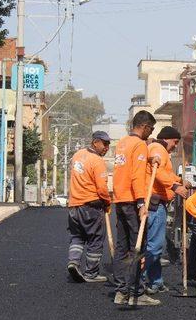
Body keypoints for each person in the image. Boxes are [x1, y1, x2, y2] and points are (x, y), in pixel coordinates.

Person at [112, 110, 161, 306]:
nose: (151, 133)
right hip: (133, 201)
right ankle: (136, 292)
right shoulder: (139, 144)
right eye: (151, 129)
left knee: (122, 248)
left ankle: (120, 291)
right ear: (144, 126)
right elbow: (136, 176)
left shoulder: (122, 143)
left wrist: (149, 158)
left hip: (120, 199)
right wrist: (141, 203)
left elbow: (126, 169)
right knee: (137, 247)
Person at [143, 126, 190, 294]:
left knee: (154, 245)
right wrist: (176, 185)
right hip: (154, 204)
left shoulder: (158, 149)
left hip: (156, 203)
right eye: (175, 142)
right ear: (168, 139)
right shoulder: (158, 149)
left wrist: (179, 179)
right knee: (153, 246)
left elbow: (165, 173)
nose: (175, 146)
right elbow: (159, 173)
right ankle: (138, 282)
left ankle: (156, 281)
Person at [66, 131, 112, 283]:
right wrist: (107, 203)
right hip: (91, 206)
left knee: (77, 237)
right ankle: (91, 273)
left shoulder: (78, 155)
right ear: (95, 142)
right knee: (95, 238)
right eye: (104, 144)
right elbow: (102, 188)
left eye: (108, 145)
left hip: (74, 205)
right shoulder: (97, 161)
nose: (106, 148)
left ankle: (73, 262)